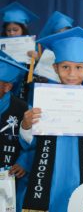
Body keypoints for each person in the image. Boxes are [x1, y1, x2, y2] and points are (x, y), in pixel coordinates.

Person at [19, 27, 83, 212]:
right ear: (55, 68)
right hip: (52, 164)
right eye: (65, 67)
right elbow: (29, 141)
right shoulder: (42, 98)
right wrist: (26, 125)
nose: (71, 73)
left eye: (78, 67)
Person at [0, 51, 32, 212]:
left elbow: (33, 142)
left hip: (9, 174)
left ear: (7, 86)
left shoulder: (23, 109)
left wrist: (25, 161)